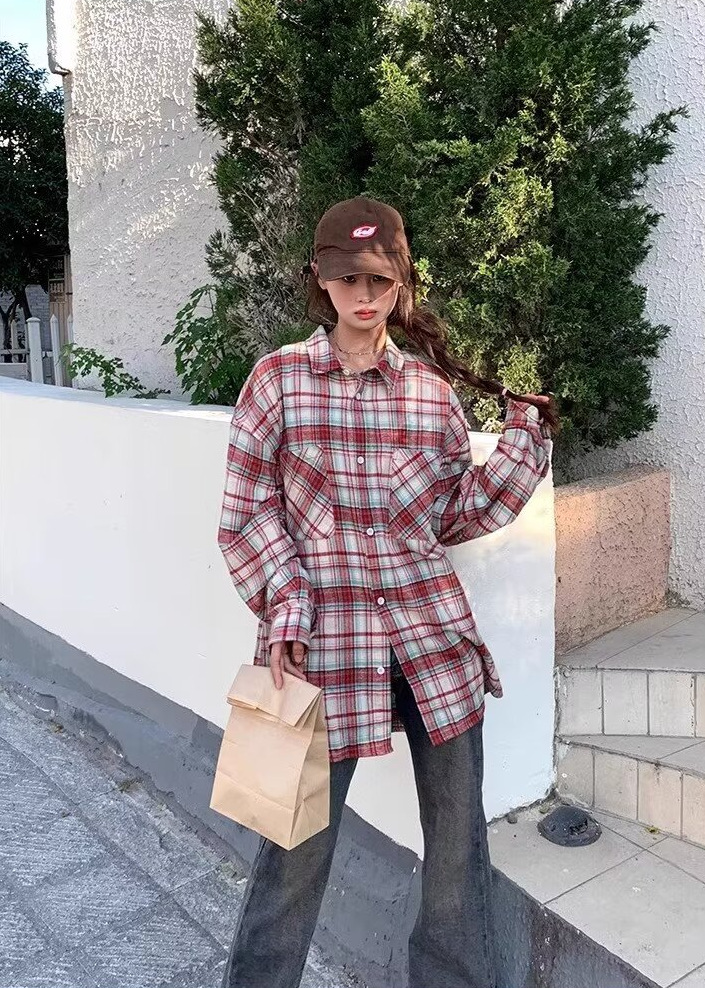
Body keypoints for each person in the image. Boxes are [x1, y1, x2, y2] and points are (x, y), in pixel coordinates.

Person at [216, 195, 559, 988]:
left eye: (378, 279)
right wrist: (285, 606)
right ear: (320, 279)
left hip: (431, 642)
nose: (364, 295)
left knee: (457, 851)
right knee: (295, 852)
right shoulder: (277, 382)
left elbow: (456, 512)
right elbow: (246, 515)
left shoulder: (430, 393)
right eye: (348, 279)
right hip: (320, 651)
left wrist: (523, 442)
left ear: (400, 280)